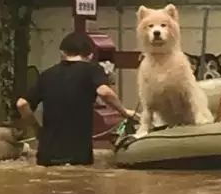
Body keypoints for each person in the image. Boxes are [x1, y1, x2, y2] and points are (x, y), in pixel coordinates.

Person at [16, 32, 136, 167]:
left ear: (62, 53)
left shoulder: (46, 75)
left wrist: (37, 129)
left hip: (46, 155)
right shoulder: (92, 69)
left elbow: (22, 104)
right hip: (78, 155)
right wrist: (124, 111)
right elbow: (104, 92)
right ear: (90, 55)